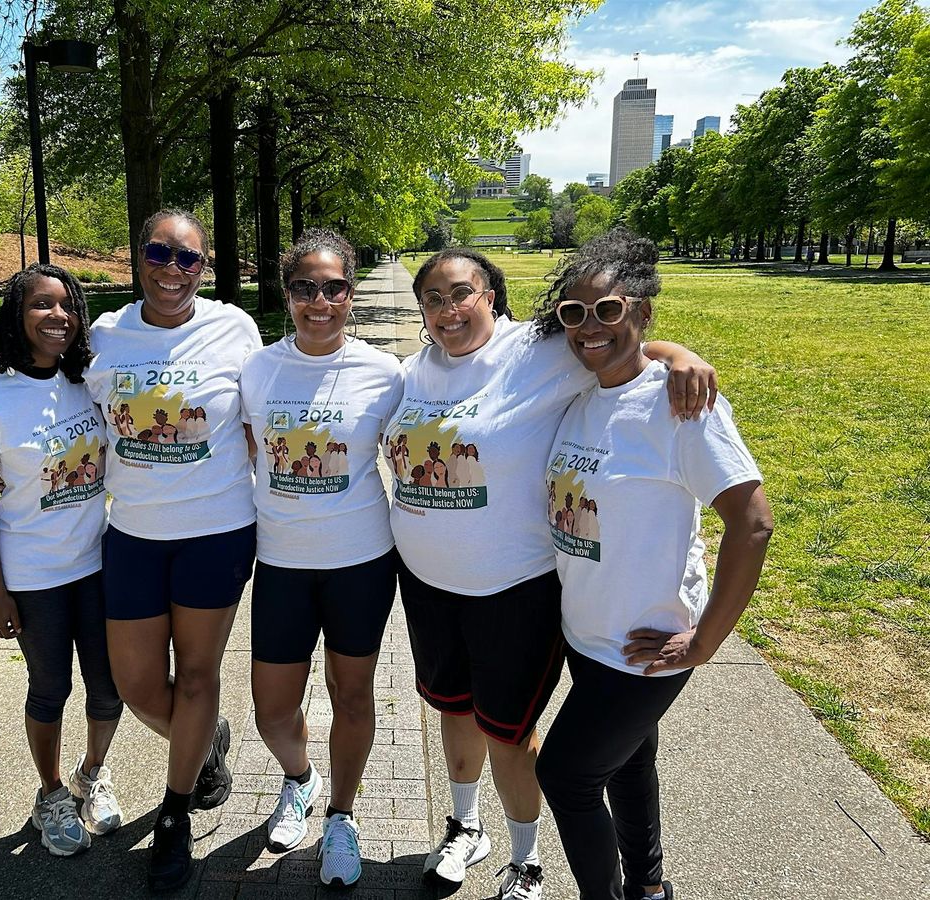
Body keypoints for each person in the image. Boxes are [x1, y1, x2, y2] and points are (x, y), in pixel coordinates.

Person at [382, 248, 717, 900]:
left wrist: (680, 356)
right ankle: (464, 826)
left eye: (462, 293)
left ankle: (526, 860)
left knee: (508, 731)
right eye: (433, 300)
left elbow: (615, 346)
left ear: (491, 296)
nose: (449, 310)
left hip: (513, 591)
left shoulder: (535, 351)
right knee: (454, 709)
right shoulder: (414, 370)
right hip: (427, 586)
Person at [533, 228, 773, 900]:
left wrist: (704, 642)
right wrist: (671, 349)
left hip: (645, 648)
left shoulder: (680, 406)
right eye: (574, 313)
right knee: (628, 765)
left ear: (641, 311)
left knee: (567, 775)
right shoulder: (580, 397)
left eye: (608, 309)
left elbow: (752, 523)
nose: (589, 327)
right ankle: (648, 887)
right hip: (586, 637)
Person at [85, 209, 261, 890]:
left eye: (188, 258)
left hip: (216, 533)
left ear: (203, 267)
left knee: (194, 675)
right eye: (160, 253)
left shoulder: (234, 329)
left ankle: (175, 812)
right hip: (133, 534)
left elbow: (260, 419)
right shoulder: (105, 336)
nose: (172, 269)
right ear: (139, 256)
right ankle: (205, 741)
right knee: (135, 684)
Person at [239, 228, 404, 889]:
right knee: (271, 709)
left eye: (333, 288)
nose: (320, 301)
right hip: (281, 561)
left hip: (360, 561)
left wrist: (663, 352)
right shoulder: (258, 369)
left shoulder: (384, 373)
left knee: (351, 695)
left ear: (350, 294)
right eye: (305, 287)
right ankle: (299, 778)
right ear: (287, 294)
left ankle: (342, 815)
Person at [0, 264, 124, 858]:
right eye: (42, 305)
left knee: (109, 688)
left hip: (98, 564)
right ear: (16, 315)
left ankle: (91, 773)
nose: (58, 316)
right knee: (50, 688)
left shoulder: (86, 384)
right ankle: (50, 794)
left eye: (67, 305)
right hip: (34, 575)